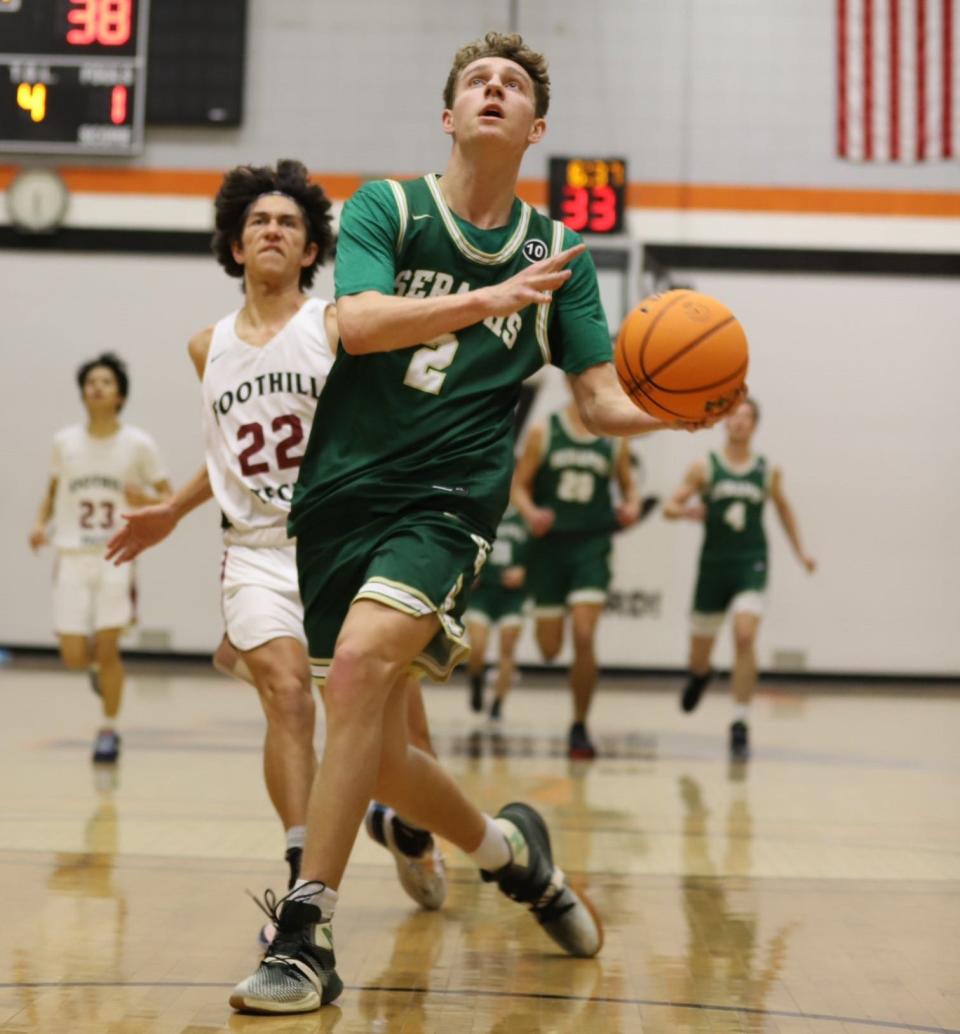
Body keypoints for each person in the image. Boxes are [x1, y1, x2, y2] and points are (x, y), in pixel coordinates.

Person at [229, 32, 726, 1015]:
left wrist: (673, 405)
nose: (493, 91)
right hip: (340, 495)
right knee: (376, 745)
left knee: (367, 668)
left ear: (536, 129)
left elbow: (594, 399)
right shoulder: (390, 206)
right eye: (477, 81)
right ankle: (512, 851)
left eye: (513, 87)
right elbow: (359, 321)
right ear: (448, 115)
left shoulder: (557, 258)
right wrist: (491, 300)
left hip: (449, 498)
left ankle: (306, 930)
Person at [104, 161, 446, 925]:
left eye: (288, 223)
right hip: (257, 547)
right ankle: (301, 874)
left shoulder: (335, 327)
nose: (272, 230)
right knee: (286, 696)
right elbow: (228, 453)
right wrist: (172, 510)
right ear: (234, 246)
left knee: (399, 737)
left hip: (347, 539)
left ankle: (411, 831)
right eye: (258, 221)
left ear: (309, 250)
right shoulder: (207, 347)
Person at [29, 352, 171, 764]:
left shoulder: (139, 444)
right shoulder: (64, 442)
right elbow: (52, 493)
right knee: (74, 655)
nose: (97, 387)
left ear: (120, 395)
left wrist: (142, 498)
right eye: (91, 381)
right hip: (72, 554)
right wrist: (40, 525)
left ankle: (107, 730)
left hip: (116, 556)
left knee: (108, 648)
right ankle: (98, 674)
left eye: (106, 382)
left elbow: (169, 498)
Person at [663, 398, 816, 757]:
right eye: (734, 416)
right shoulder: (705, 467)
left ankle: (740, 719)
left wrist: (801, 553)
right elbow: (669, 507)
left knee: (745, 635)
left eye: (746, 417)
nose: (739, 422)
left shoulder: (766, 470)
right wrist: (686, 512)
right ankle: (701, 675)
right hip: (714, 567)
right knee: (699, 655)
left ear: (755, 425)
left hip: (751, 563)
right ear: (724, 423)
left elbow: (784, 510)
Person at [512, 400, 641, 758]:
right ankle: (577, 719)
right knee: (550, 650)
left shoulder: (615, 439)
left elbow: (630, 488)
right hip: (549, 548)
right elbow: (518, 486)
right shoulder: (545, 430)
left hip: (591, 545)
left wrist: (632, 505)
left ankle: (579, 726)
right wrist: (531, 512)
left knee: (584, 635)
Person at [464, 504, 528, 720]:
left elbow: (540, 550)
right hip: (483, 592)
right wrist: (469, 569)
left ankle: (498, 702)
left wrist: (525, 570)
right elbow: (462, 541)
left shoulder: (525, 513)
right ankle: (476, 680)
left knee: (507, 647)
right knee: (477, 646)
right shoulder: (482, 506)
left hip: (512, 595)